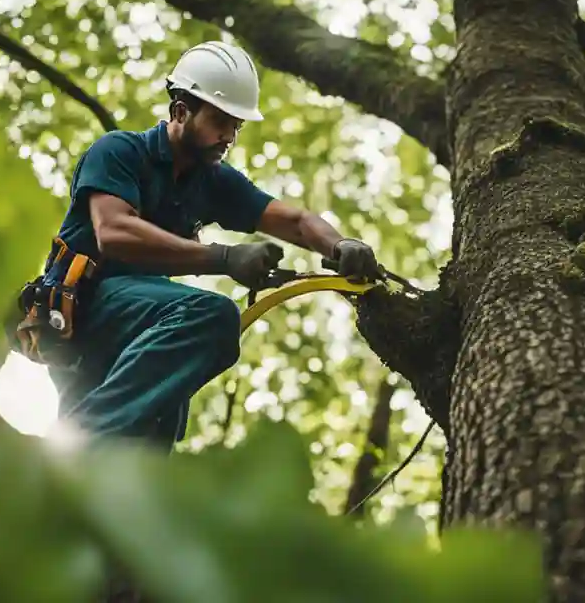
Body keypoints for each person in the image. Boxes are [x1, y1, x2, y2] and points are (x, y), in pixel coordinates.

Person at [27, 40, 384, 449]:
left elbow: (297, 221)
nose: (230, 135)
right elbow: (115, 233)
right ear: (181, 111)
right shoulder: (120, 152)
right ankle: (78, 444)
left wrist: (340, 246)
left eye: (237, 125)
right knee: (210, 315)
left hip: (136, 332)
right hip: (87, 308)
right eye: (221, 120)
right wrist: (224, 257)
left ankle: (84, 478)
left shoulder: (212, 180)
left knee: (157, 419)